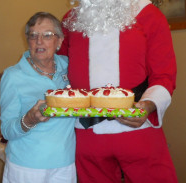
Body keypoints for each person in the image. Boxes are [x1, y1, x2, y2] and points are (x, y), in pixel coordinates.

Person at [58, 0, 178, 182]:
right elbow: (57, 67)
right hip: (87, 134)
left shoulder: (149, 14)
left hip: (138, 131)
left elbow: (164, 75)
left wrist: (148, 105)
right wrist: (22, 75)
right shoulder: (71, 19)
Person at [0, 12, 76, 183]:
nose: (39, 41)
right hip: (27, 167)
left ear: (60, 41)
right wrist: (29, 119)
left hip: (65, 164)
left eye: (47, 35)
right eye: (33, 35)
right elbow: (6, 129)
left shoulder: (71, 67)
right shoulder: (12, 76)